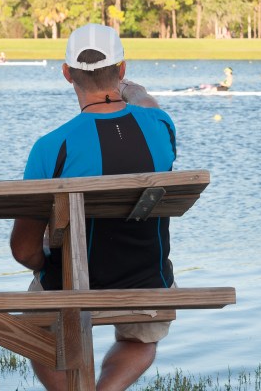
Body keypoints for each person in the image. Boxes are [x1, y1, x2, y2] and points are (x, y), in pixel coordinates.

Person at [10, 23, 177, 391]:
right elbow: (149, 108)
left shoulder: (52, 146)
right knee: (141, 340)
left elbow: (22, 250)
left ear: (67, 73)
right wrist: (135, 92)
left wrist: (45, 261)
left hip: (69, 281)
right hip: (147, 279)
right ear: (122, 69)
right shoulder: (161, 126)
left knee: (34, 331)